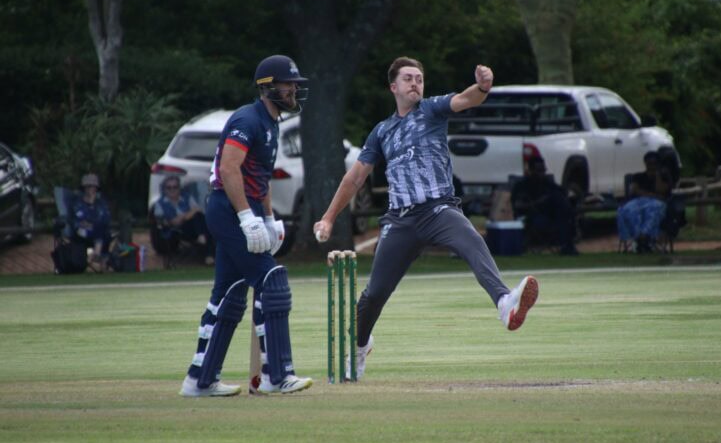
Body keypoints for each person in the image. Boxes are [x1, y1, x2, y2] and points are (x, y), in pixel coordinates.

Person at [313, 56, 539, 381]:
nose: (415, 83)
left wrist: (483, 87)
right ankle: (360, 347)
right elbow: (355, 178)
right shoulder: (382, 132)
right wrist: (328, 218)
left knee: (472, 241)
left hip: (438, 209)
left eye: (419, 78)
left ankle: (505, 303)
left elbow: (465, 99)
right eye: (408, 78)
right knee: (374, 295)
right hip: (400, 220)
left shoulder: (431, 110)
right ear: (393, 86)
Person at [179, 54, 313, 397]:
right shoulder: (248, 119)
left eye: (295, 85)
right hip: (227, 208)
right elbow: (228, 169)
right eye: (288, 85)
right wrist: (245, 217)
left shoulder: (272, 123)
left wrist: (268, 219)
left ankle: (200, 380)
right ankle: (277, 376)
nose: (294, 90)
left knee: (228, 294)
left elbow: (260, 179)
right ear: (268, 87)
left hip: (245, 208)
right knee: (273, 282)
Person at [510, 155, 578, 255]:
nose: (541, 173)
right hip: (533, 216)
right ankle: (566, 245)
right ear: (531, 170)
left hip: (553, 215)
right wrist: (539, 202)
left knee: (562, 204)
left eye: (543, 170)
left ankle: (567, 245)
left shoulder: (547, 183)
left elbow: (562, 192)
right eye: (538, 170)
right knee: (560, 206)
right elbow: (518, 205)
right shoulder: (522, 186)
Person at [616, 151, 674, 253]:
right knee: (626, 210)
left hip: (656, 203)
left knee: (655, 209)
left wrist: (658, 175)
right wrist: (652, 195)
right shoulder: (638, 177)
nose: (652, 166)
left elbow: (661, 190)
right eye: (649, 163)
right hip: (639, 202)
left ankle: (644, 237)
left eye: (654, 163)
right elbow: (634, 190)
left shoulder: (664, 178)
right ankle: (638, 238)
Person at [153, 176, 214, 265]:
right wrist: (187, 215)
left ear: (179, 188)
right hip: (176, 231)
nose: (172, 190)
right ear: (164, 189)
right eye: (169, 187)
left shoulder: (187, 197)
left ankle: (202, 237)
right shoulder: (160, 204)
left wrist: (182, 217)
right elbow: (170, 222)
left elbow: (198, 210)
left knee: (199, 217)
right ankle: (208, 252)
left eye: (175, 187)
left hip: (192, 227)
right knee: (200, 221)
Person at [68, 173, 112, 265]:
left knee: (103, 231)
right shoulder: (77, 204)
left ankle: (97, 254)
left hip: (98, 230)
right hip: (81, 232)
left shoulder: (101, 203)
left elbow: (106, 218)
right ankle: (97, 254)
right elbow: (78, 220)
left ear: (96, 188)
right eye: (87, 187)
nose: (90, 189)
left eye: (92, 187)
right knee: (100, 230)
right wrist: (89, 223)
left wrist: (92, 204)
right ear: (84, 188)